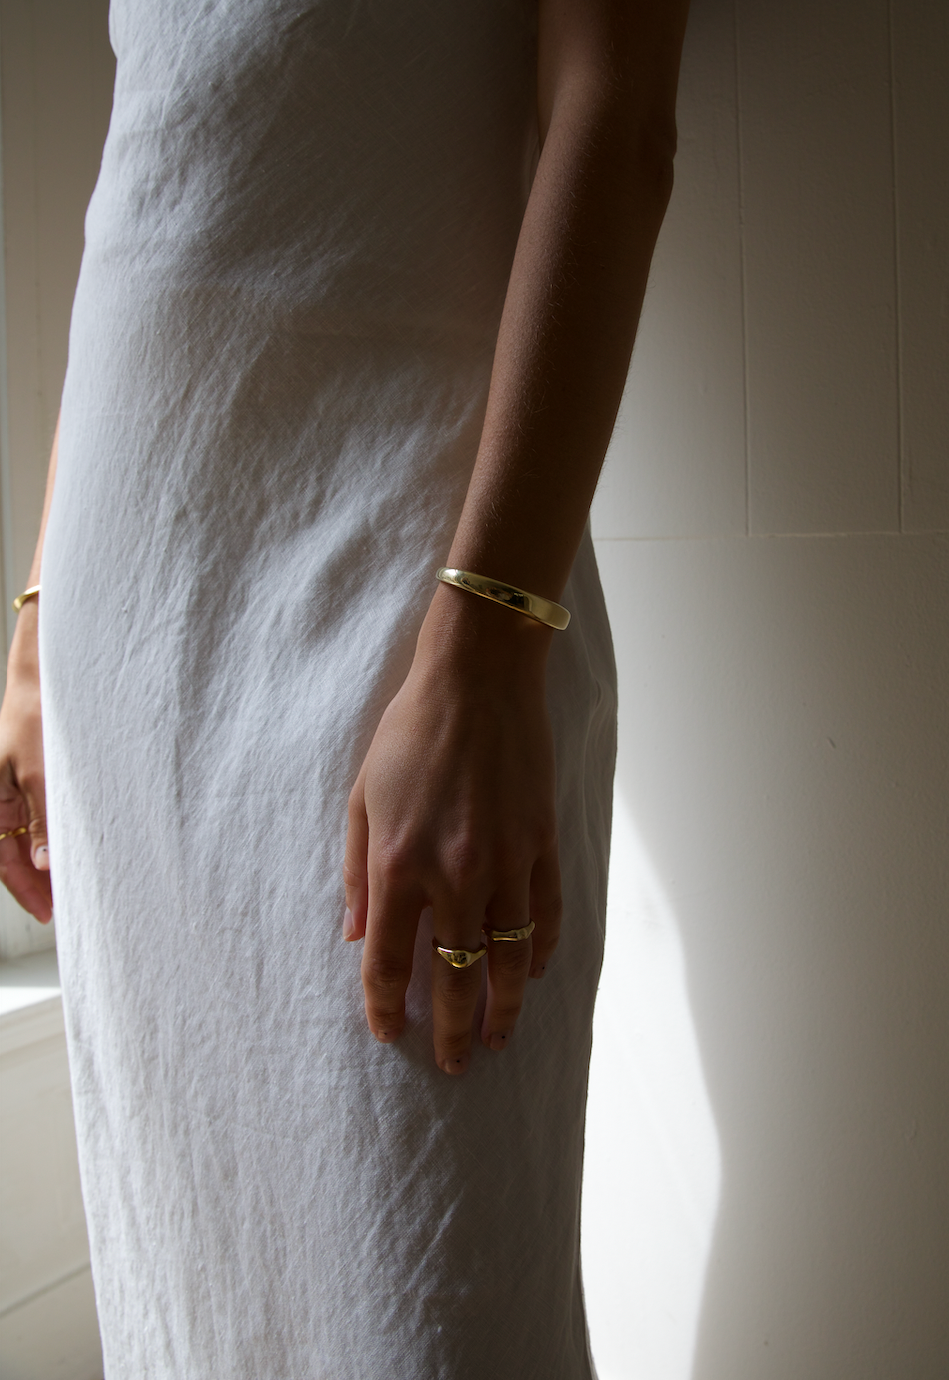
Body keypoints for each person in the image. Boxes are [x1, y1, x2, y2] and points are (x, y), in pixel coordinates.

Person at [0, 0, 688, 1374]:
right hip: (127, 637)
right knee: (192, 1291)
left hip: (402, 621)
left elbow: (610, 121)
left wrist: (489, 645)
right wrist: (33, 633)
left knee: (426, 1311)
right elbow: (148, 180)